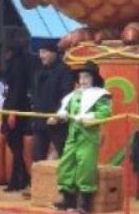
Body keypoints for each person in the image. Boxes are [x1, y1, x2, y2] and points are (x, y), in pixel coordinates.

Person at [49, 61, 111, 214]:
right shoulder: (73, 95)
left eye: (86, 77)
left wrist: (87, 116)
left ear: (93, 79)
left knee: (85, 166)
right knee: (66, 164)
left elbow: (104, 113)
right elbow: (64, 111)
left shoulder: (101, 95)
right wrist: (58, 117)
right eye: (81, 77)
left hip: (88, 137)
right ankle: (67, 199)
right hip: (72, 136)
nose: (83, 80)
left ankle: (83, 203)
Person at [31, 40, 74, 161]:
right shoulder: (39, 71)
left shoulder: (64, 71)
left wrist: (58, 114)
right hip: (39, 120)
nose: (41, 56)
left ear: (53, 53)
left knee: (63, 154)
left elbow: (67, 95)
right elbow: (35, 93)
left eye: (44, 52)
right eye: (40, 52)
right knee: (37, 156)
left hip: (57, 121)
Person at [1, 43, 32, 192]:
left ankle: (21, 178)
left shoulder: (17, 66)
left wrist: (12, 111)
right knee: (15, 145)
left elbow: (16, 89)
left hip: (15, 108)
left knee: (14, 144)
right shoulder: (15, 65)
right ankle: (22, 177)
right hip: (15, 106)